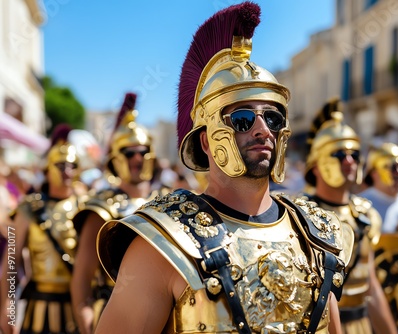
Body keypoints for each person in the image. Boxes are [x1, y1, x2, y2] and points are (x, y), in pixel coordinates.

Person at [95, 3, 353, 333]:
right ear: (206, 141)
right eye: (243, 119)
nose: (263, 130)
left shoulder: (316, 234)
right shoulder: (164, 241)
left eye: (273, 119)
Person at [70, 93, 166, 334]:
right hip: (113, 315)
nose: (137, 158)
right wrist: (88, 323)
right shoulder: (102, 208)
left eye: (142, 151)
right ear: (116, 158)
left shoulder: (168, 201)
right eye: (129, 152)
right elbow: (82, 277)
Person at [302, 99, 397, 334]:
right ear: (316, 165)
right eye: (339, 154)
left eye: (354, 153)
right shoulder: (299, 215)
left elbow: (370, 286)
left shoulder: (366, 215)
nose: (350, 161)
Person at [0, 125, 82, 334]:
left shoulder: (86, 208)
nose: (68, 171)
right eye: (61, 165)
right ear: (47, 169)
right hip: (38, 307)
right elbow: (11, 260)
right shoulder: (29, 207)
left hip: (76, 308)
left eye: (72, 165)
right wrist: (8, 307)